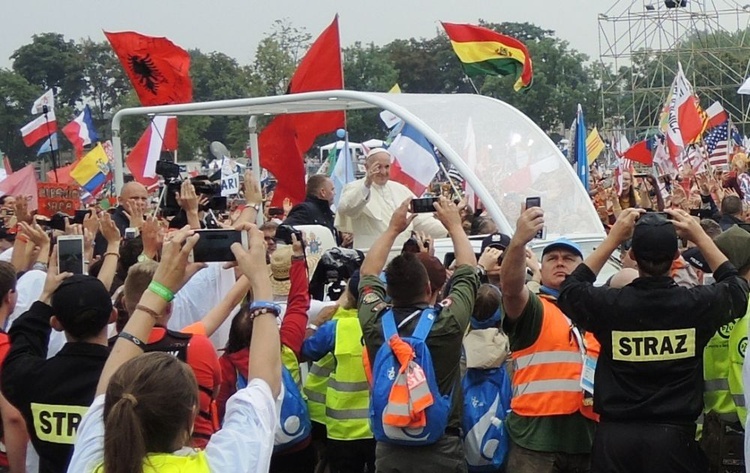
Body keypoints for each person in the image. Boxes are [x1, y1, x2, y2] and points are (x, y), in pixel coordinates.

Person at [67, 225, 281, 472]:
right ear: (191, 417)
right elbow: (266, 384)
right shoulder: (220, 466)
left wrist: (158, 288)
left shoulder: (91, 463)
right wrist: (260, 279)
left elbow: (106, 388)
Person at [557, 209, 749, 472]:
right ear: (675, 258)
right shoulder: (694, 305)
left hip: (615, 441)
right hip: (673, 440)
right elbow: (736, 287)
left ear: (632, 256)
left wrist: (612, 239)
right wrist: (700, 236)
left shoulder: (610, 305)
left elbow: (569, 290)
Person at [358, 197, 478, 472]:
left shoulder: (374, 320)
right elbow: (468, 272)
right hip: (442, 444)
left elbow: (367, 273)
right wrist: (455, 226)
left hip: (390, 444)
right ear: (428, 287)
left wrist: (392, 229)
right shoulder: (446, 323)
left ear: (387, 290)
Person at [499, 207, 600, 473]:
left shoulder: (598, 310)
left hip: (589, 438)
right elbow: (510, 289)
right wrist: (518, 242)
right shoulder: (535, 308)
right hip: (535, 441)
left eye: (569, 258)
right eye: (552, 258)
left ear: (584, 268)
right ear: (540, 269)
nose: (559, 262)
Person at [2, 268, 115, 473]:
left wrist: (44, 300)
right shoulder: (130, 379)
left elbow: (20, 346)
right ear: (112, 316)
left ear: (56, 324)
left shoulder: (31, 378)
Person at [120, 260, 222, 449]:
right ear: (170, 308)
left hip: (129, 456)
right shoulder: (197, 345)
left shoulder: (112, 354)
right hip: (196, 456)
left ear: (125, 303)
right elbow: (214, 393)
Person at [302, 272, 375, 473]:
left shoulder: (336, 327)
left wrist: (315, 323)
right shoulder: (387, 324)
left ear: (350, 296)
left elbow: (306, 350)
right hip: (380, 426)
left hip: (343, 430)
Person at [335, 148, 446, 253]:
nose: (383, 172)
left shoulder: (401, 189)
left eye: (386, 167)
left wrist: (449, 230)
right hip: (370, 258)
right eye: (378, 167)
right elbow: (347, 208)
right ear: (366, 167)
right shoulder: (355, 187)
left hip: (400, 259)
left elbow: (421, 220)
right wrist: (367, 184)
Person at [283, 174, 340, 244]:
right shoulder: (304, 210)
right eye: (332, 189)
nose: (335, 193)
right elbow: (284, 230)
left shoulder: (330, 215)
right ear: (323, 192)